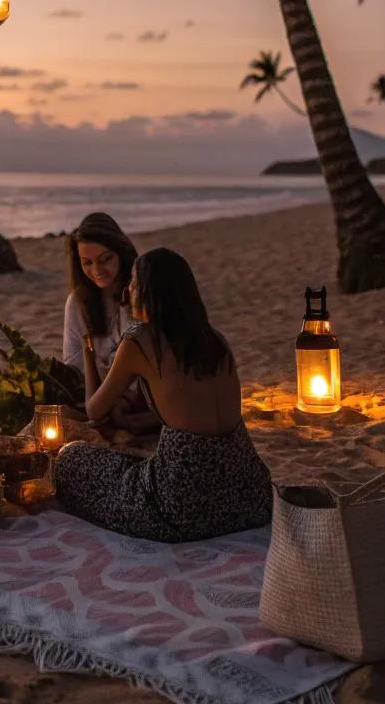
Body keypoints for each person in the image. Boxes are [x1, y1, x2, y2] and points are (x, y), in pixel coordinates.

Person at [55, 247, 272, 542]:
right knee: (126, 464)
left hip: (182, 504)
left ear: (148, 292)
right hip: (250, 494)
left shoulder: (140, 341)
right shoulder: (215, 339)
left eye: (133, 282)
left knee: (71, 458)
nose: (128, 289)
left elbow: (94, 410)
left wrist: (89, 352)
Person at [63, 214, 160, 434]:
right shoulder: (78, 303)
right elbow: (74, 365)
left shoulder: (141, 294)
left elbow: (158, 357)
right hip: (100, 395)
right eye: (87, 263)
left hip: (146, 394)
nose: (97, 270)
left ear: (121, 253)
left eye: (105, 259)